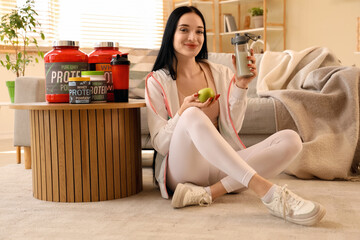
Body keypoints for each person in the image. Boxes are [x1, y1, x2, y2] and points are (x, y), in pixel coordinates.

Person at [145, 6, 326, 226]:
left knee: (291, 140)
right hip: (184, 171)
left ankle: (208, 193)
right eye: (184, 30)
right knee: (192, 114)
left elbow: (234, 126)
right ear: (171, 34)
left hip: (222, 167)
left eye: (200, 31)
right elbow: (160, 144)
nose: (193, 37)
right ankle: (267, 192)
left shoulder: (219, 72)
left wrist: (241, 85)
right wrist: (182, 112)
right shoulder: (156, 81)